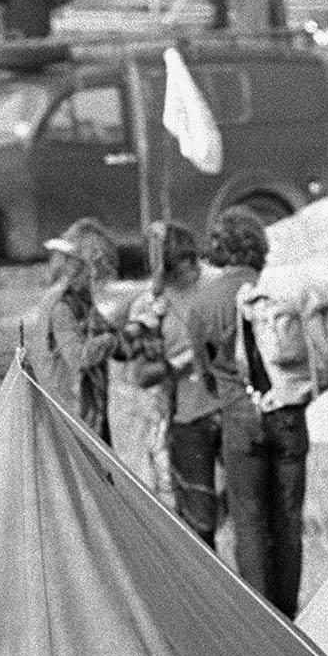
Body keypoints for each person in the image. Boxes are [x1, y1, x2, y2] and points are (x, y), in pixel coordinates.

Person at [214, 211, 310, 616]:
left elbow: (206, 370)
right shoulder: (273, 293)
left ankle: (260, 617)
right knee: (288, 521)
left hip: (239, 421)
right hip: (287, 417)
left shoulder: (208, 299)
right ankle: (289, 615)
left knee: (250, 522)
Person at [124, 223, 222, 544]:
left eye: (191, 261)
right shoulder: (150, 306)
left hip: (228, 410)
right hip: (186, 419)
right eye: (179, 266)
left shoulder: (216, 286)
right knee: (198, 520)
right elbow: (141, 375)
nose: (189, 272)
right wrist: (181, 363)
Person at [23, 219, 121, 442]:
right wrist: (108, 340)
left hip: (87, 409)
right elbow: (77, 358)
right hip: (70, 415)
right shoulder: (62, 306)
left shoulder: (82, 301)